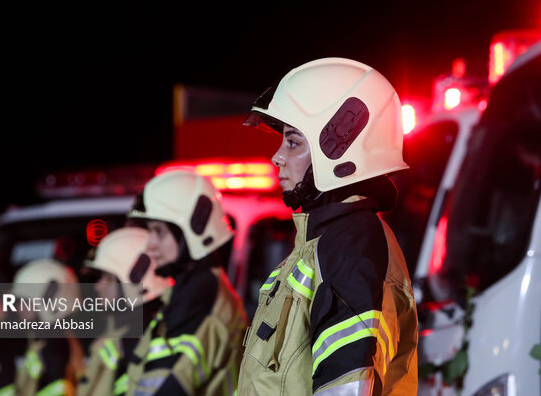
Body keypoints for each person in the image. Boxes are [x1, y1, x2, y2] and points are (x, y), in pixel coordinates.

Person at [237, 57, 418, 395]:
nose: (277, 157)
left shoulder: (351, 245)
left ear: (340, 148)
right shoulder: (320, 242)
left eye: (292, 142)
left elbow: (345, 387)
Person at [125, 170, 248, 396]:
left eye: (159, 232)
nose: (149, 245)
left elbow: (173, 386)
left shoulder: (201, 295)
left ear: (194, 229)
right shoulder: (186, 291)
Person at [76, 227, 173, 396]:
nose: (98, 286)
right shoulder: (120, 336)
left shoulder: (141, 341)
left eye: (107, 278)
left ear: (136, 280)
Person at [11, 259, 85, 396]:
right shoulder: (41, 342)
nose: (19, 308)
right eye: (18, 302)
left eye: (26, 301)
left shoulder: (56, 346)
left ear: (51, 298)